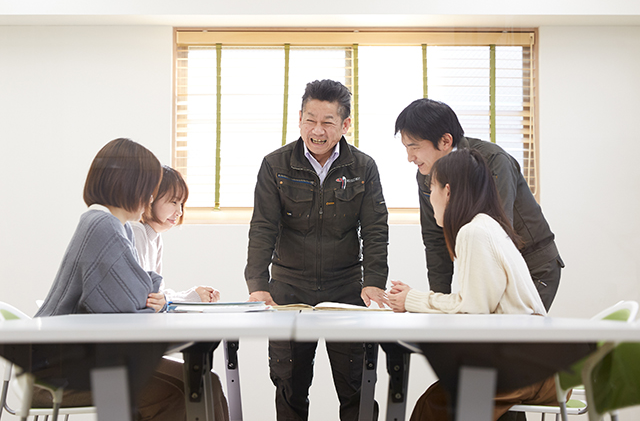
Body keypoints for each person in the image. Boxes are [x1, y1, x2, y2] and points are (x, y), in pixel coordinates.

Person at [33, 138, 229, 421]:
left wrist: (150, 293)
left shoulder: (115, 226)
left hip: (85, 360)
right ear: (129, 184)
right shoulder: (102, 225)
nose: (150, 198)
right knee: (190, 388)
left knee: (205, 383)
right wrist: (150, 294)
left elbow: (140, 295)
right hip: (56, 373)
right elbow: (135, 301)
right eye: (149, 188)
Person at [245, 79, 389, 421]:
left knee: (357, 386)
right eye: (310, 119)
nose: (317, 130)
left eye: (328, 121)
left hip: (346, 290)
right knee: (289, 386)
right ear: (298, 119)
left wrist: (374, 281)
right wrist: (257, 284)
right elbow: (262, 227)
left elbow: (375, 228)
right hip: (288, 290)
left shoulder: (363, 168)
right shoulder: (275, 165)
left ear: (345, 125)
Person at [387, 149, 557, 420]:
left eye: (431, 189)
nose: (430, 199)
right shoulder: (485, 226)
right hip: (529, 365)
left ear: (448, 192)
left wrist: (411, 299)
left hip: (526, 373)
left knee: (433, 406)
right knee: (434, 400)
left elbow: (471, 310)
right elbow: (475, 306)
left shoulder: (474, 232)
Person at [395, 98, 564, 312]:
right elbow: (435, 240)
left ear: (445, 141)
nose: (410, 158)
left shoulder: (492, 161)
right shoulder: (427, 173)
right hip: (493, 259)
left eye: (414, 147)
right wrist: (437, 304)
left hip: (533, 263)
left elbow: (497, 234)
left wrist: (430, 304)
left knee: (503, 333)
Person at [132, 165, 221, 304]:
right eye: (174, 202)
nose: (179, 211)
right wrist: (191, 298)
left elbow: (158, 294)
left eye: (181, 204)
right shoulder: (136, 232)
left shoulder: (155, 237)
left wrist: (194, 294)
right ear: (150, 199)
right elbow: (147, 298)